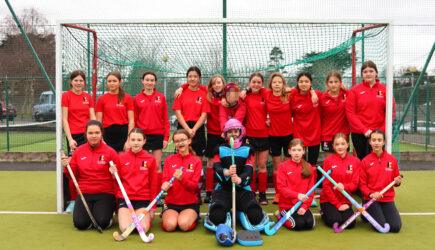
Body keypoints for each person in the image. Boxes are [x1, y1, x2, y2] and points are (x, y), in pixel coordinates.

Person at [61, 120, 119, 230]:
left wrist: (114, 173)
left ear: (102, 134)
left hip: (105, 193)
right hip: (84, 193)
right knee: (80, 224)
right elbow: (71, 175)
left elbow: (118, 178)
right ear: (86, 134)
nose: (94, 136)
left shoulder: (110, 152)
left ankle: (109, 216)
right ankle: (91, 215)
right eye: (90, 133)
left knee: (102, 222)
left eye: (97, 133)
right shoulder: (78, 152)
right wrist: (66, 166)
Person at [208, 119, 265, 227]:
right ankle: (225, 210)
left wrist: (240, 179)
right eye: (230, 132)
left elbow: (249, 170)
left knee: (256, 216)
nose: (233, 134)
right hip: (223, 189)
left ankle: (240, 211)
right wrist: (226, 172)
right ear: (225, 134)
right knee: (216, 217)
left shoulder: (247, 149)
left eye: (235, 131)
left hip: (242, 190)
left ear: (240, 132)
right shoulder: (219, 149)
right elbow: (216, 167)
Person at [108, 128, 158, 233]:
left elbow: (154, 184)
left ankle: (138, 216)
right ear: (129, 141)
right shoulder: (121, 157)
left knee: (143, 228)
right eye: (133, 140)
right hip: (125, 200)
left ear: (144, 141)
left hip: (143, 201)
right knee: (125, 228)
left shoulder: (150, 159)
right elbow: (117, 182)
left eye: (139, 140)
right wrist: (113, 174)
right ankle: (128, 216)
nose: (136, 143)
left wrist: (152, 208)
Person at [346, 60, 396, 160]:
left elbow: (391, 112)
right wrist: (364, 130)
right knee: (363, 161)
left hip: (378, 134)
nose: (368, 74)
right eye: (365, 72)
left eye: (371, 71)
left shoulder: (385, 90)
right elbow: (350, 113)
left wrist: (380, 131)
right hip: (360, 134)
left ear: (376, 73)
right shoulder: (354, 91)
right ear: (362, 74)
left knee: (378, 160)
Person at [61, 70, 96, 212]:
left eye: (81, 81)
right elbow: (65, 119)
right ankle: (73, 200)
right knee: (73, 169)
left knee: (89, 167)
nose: (78, 83)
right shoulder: (66, 96)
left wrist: (97, 135)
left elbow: (92, 117)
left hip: (88, 135)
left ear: (84, 82)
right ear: (71, 82)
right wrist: (70, 139)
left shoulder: (88, 97)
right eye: (76, 80)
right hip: (74, 136)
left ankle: (89, 196)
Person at [134, 71, 170, 202]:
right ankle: (143, 192)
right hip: (142, 136)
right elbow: (135, 119)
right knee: (142, 165)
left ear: (155, 82)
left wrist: (166, 137)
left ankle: (157, 195)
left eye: (152, 80)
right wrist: (136, 137)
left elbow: (165, 118)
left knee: (156, 166)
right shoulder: (137, 98)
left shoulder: (161, 97)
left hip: (157, 135)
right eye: (147, 80)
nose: (149, 82)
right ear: (142, 81)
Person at [360, 130, 402, 233]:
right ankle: (365, 213)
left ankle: (371, 214)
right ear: (370, 142)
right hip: (371, 199)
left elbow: (396, 181)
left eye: (379, 140)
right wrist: (371, 194)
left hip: (387, 199)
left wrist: (397, 181)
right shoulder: (365, 161)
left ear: (383, 142)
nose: (376, 143)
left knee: (395, 227)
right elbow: (362, 184)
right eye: (374, 140)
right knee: (381, 226)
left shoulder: (392, 160)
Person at [161, 129, 202, 232]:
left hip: (190, 204)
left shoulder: (196, 161)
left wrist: (181, 179)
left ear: (189, 141)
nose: (180, 143)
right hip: (171, 204)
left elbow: (194, 187)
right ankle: (173, 218)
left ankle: (193, 217)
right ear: (174, 143)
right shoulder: (169, 160)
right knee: (170, 226)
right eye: (177, 141)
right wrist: (164, 185)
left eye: (183, 139)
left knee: (183, 225)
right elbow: (165, 180)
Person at [319, 133, 361, 229]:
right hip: (329, 199)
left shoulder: (355, 161)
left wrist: (344, 187)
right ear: (333, 146)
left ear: (347, 145)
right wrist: (337, 204)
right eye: (337, 144)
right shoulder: (328, 161)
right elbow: (326, 186)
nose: (340, 147)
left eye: (343, 144)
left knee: (350, 224)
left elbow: (354, 184)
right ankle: (323, 211)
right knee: (335, 221)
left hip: (345, 200)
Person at [276, 138, 317, 231]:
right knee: (297, 225)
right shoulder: (283, 167)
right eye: (294, 150)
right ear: (289, 151)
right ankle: (280, 215)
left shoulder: (309, 167)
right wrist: (297, 195)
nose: (296, 153)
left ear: (303, 151)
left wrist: (305, 206)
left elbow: (311, 190)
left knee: (310, 224)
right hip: (287, 206)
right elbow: (281, 188)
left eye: (299, 150)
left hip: (301, 205)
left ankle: (302, 211)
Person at [265, 73, 293, 204]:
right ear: (271, 84)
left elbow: (304, 89)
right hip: (273, 136)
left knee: (288, 166)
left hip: (288, 135)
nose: (277, 84)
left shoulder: (289, 95)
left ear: (283, 84)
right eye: (274, 82)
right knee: (277, 167)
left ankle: (289, 192)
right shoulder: (266, 94)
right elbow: (251, 90)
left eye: (279, 82)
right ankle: (278, 193)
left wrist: (312, 92)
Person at [242, 72, 269, 205]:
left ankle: (263, 194)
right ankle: (251, 192)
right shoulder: (245, 96)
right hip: (250, 136)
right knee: (251, 166)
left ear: (262, 84)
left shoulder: (266, 94)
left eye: (259, 82)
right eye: (254, 82)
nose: (256, 84)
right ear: (249, 83)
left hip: (264, 135)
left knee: (262, 165)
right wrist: (244, 90)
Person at [172, 66, 209, 157]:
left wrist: (194, 129)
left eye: (195, 76)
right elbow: (178, 112)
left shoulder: (204, 93)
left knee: (198, 157)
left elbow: (204, 114)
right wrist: (187, 129)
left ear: (199, 78)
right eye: (190, 76)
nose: (192, 79)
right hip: (183, 127)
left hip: (198, 128)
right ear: (187, 78)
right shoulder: (180, 93)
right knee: (182, 156)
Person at [96, 71, 134, 152]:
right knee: (109, 161)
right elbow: (98, 121)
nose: (111, 83)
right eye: (109, 81)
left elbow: (131, 121)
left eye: (114, 81)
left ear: (120, 82)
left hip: (123, 133)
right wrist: (100, 138)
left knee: (122, 161)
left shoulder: (127, 98)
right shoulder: (102, 99)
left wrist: (129, 140)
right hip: (107, 133)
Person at [204, 75, 227, 203]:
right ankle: (208, 191)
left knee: (225, 162)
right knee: (210, 163)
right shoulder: (208, 96)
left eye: (219, 82)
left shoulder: (230, 96)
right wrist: (182, 87)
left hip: (226, 134)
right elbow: (193, 85)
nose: (217, 85)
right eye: (214, 83)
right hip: (212, 134)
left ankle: (223, 189)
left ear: (223, 83)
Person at [290, 72, 321, 166]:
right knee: (299, 164)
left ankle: (312, 181)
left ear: (311, 83)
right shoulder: (292, 96)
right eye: (301, 81)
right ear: (297, 83)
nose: (303, 84)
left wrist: (312, 92)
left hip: (314, 135)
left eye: (306, 81)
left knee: (312, 165)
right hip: (299, 135)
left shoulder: (318, 95)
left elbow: (333, 94)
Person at [319, 71, 350, 155]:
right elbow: (319, 117)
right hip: (327, 135)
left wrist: (346, 89)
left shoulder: (347, 95)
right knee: (330, 163)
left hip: (343, 134)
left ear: (340, 83)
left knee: (343, 162)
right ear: (327, 84)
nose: (333, 84)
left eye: (336, 82)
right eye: (331, 82)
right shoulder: (322, 98)